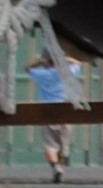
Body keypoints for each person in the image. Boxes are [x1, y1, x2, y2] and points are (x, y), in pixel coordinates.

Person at [27, 48, 72, 180]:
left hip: (47, 110)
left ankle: (55, 167)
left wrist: (39, 62)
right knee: (63, 143)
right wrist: (64, 60)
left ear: (47, 61)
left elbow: (27, 68)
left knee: (49, 143)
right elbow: (77, 63)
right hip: (65, 109)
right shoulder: (67, 73)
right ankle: (61, 166)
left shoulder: (42, 75)